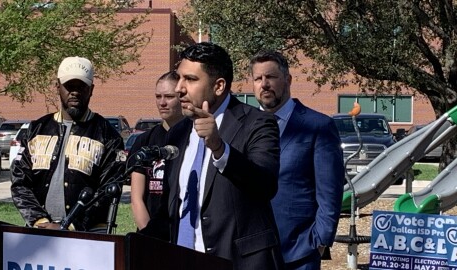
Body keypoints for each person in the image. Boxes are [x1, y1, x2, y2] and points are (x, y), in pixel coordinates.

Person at [142, 42, 285, 270]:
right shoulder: (178, 132)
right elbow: (172, 209)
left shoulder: (257, 123)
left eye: (190, 79)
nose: (179, 88)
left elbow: (265, 185)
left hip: (238, 263)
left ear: (218, 86)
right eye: (179, 78)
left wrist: (220, 148)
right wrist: (134, 243)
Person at [250, 50, 345, 269]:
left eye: (270, 77)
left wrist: (321, 240)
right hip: (253, 251)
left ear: (288, 79)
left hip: (299, 252)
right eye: (258, 79)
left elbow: (330, 191)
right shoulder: (246, 125)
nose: (264, 84)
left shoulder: (318, 126)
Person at [10, 56, 125, 232]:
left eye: (81, 86)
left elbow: (108, 191)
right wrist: (39, 221)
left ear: (91, 89)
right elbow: (20, 182)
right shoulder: (36, 129)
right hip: (40, 231)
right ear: (57, 87)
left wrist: (70, 225)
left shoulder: (108, 136)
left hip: (88, 234)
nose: (75, 92)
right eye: (69, 86)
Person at [128, 71, 183, 230]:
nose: (162, 102)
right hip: (151, 233)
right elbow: (136, 198)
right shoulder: (144, 141)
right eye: (158, 97)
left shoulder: (193, 138)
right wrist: (148, 235)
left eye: (169, 97)